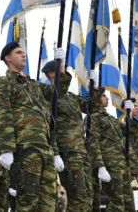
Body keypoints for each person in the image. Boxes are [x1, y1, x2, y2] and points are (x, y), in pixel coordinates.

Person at [0, 43, 64, 211]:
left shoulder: (33, 85)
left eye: (24, 52)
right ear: (8, 58)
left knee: (49, 202)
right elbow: (3, 116)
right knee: (28, 202)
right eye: (18, 52)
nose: (23, 55)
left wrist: (60, 69)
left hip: (45, 148)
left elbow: (58, 93)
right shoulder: (4, 83)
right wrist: (6, 149)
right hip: (25, 148)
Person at [41, 59, 92, 212]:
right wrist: (56, 153)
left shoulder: (71, 97)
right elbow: (49, 127)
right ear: (51, 74)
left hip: (81, 150)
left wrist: (94, 87)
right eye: (62, 69)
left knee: (88, 193)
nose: (65, 72)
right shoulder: (48, 97)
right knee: (76, 194)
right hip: (67, 152)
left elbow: (91, 107)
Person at [87, 88, 135, 212]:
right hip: (110, 164)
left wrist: (129, 116)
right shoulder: (93, 117)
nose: (107, 98)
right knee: (116, 203)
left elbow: (129, 132)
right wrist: (100, 166)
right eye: (104, 96)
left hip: (122, 164)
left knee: (128, 202)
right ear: (96, 97)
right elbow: (93, 142)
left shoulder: (111, 118)